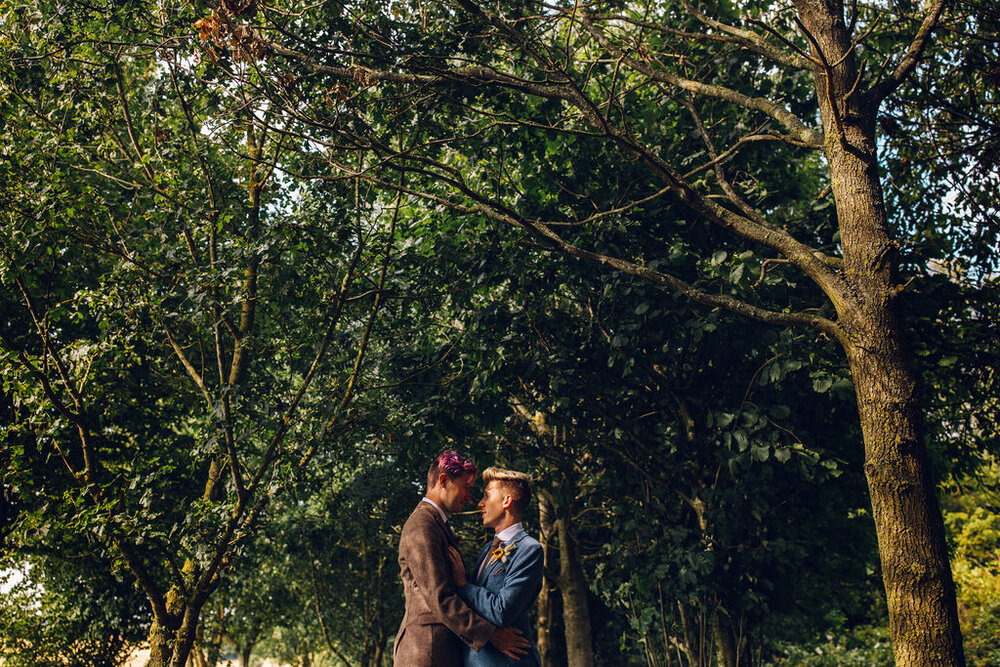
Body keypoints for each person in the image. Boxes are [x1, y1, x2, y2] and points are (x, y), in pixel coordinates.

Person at [395, 451, 529, 666]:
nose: (469, 497)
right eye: (466, 487)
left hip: (442, 650)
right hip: (427, 651)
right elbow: (441, 598)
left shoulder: (436, 523)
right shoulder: (422, 525)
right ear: (443, 480)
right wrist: (491, 635)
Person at [447, 466, 543, 666]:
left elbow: (502, 612)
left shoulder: (529, 550)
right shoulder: (486, 549)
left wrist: (464, 585)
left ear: (506, 501)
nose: (480, 503)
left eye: (486, 496)